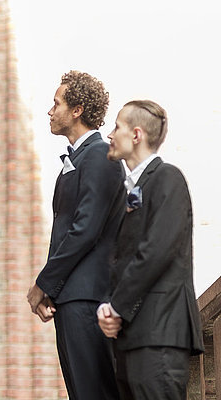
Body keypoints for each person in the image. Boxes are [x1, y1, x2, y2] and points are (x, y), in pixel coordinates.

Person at [26, 71, 125, 400]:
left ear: (78, 109)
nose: (50, 111)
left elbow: (85, 230)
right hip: (71, 295)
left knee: (93, 391)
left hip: (89, 297)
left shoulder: (100, 155)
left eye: (56, 103)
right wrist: (54, 290)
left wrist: (43, 284)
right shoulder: (81, 156)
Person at [98, 100, 204, 399]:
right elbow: (123, 259)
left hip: (160, 335)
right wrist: (110, 306)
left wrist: (115, 307)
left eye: (116, 126)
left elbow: (156, 251)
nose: (110, 134)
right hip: (132, 337)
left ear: (136, 135)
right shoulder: (132, 188)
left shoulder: (168, 178)